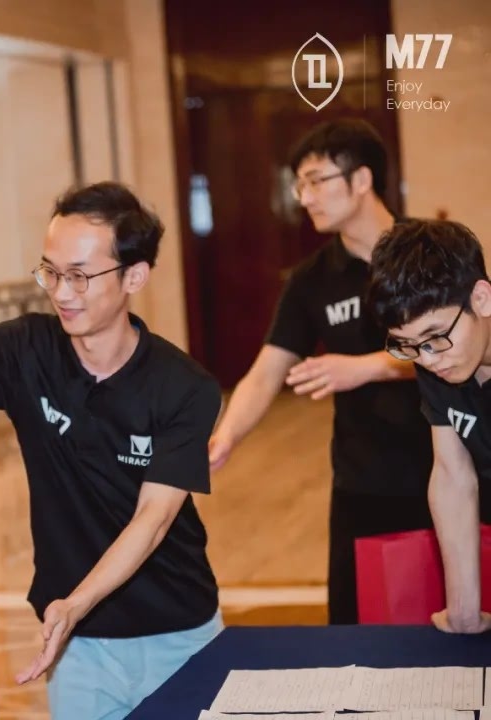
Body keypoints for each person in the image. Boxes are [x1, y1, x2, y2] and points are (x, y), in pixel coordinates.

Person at [0, 181, 223, 718]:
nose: (61, 293)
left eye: (80, 276)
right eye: (51, 272)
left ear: (134, 276)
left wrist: (77, 603)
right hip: (79, 647)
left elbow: (153, 521)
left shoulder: (184, 387)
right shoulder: (27, 348)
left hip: (177, 634)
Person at [208, 119, 434, 624]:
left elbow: (466, 347)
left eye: (316, 181)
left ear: (362, 179)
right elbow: (267, 369)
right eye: (299, 185)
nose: (304, 197)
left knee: (454, 626)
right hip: (363, 481)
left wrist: (366, 368)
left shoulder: (431, 254)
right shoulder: (312, 279)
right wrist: (226, 436)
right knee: (356, 628)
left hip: (446, 468)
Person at [367, 218, 491, 634]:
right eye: (409, 344)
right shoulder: (439, 361)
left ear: (481, 299)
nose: (428, 359)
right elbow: (453, 474)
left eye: (435, 336)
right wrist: (463, 612)